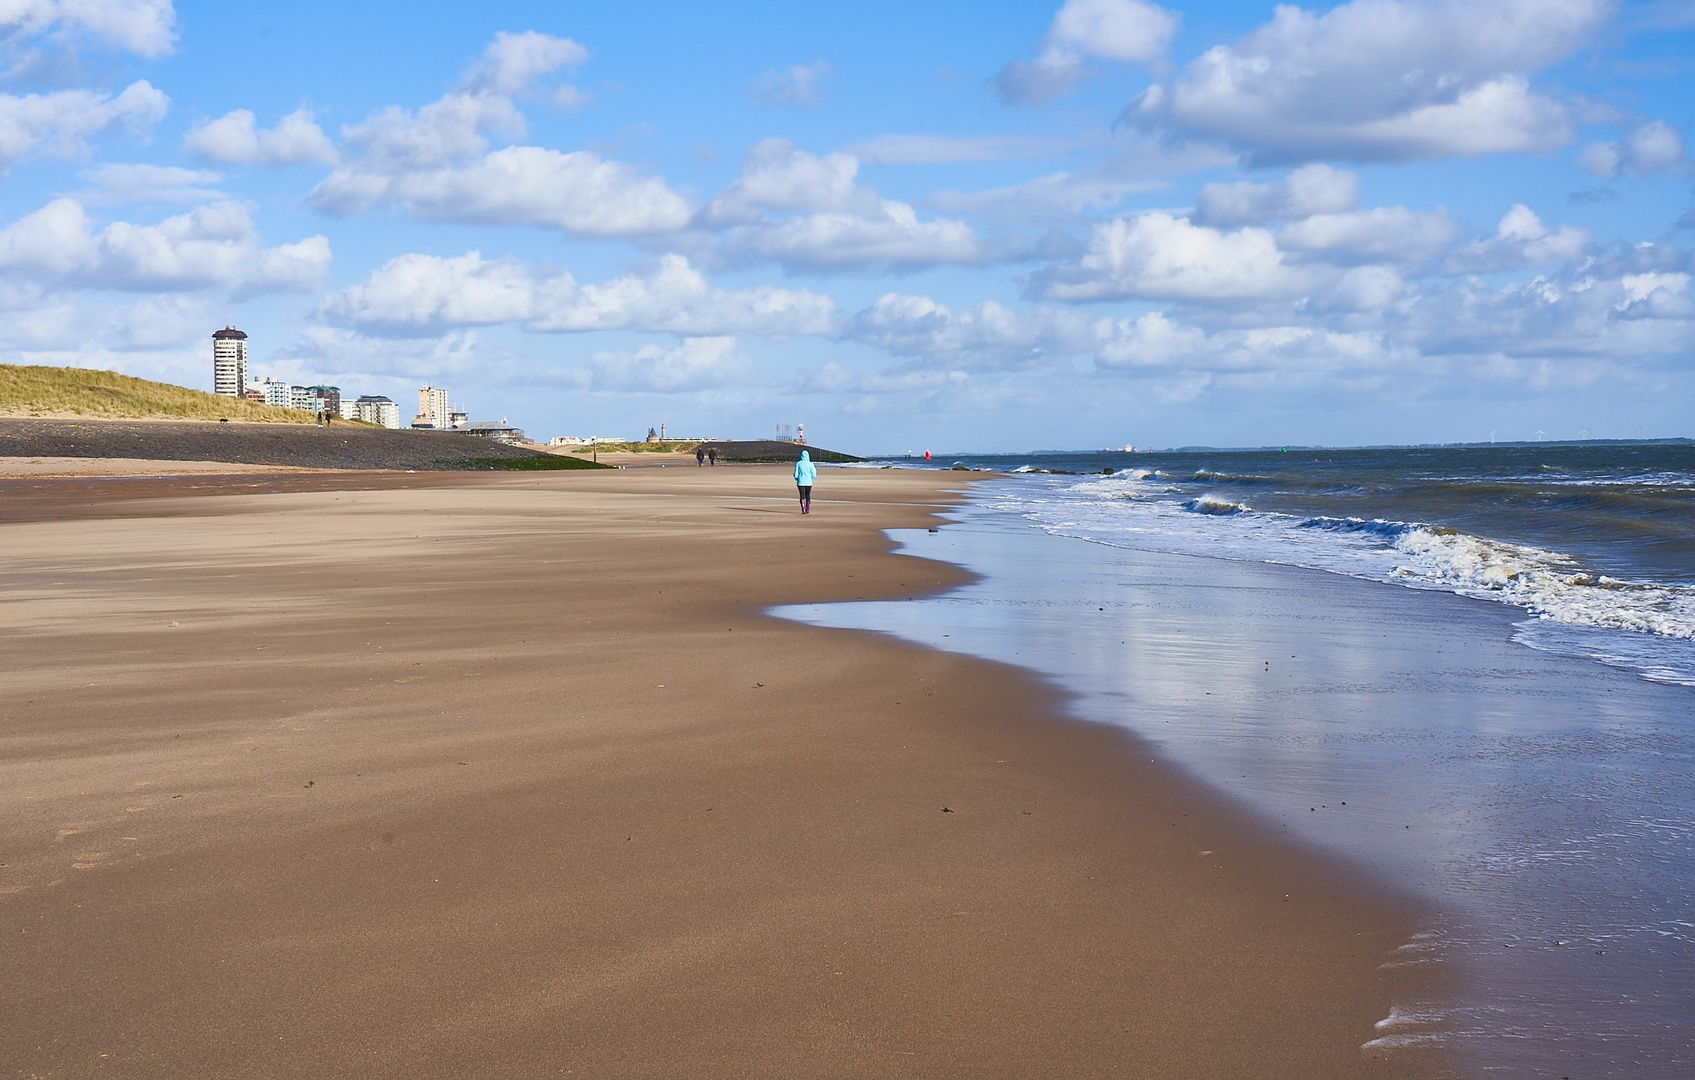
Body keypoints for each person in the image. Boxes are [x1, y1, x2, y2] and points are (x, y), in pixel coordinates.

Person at [793, 449, 816, 514]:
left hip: (800, 482)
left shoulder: (798, 463)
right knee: (808, 495)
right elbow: (814, 474)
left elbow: (796, 474)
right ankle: (807, 509)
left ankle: (803, 509)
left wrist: (797, 478)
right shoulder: (811, 464)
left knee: (802, 495)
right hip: (809, 482)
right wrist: (811, 478)